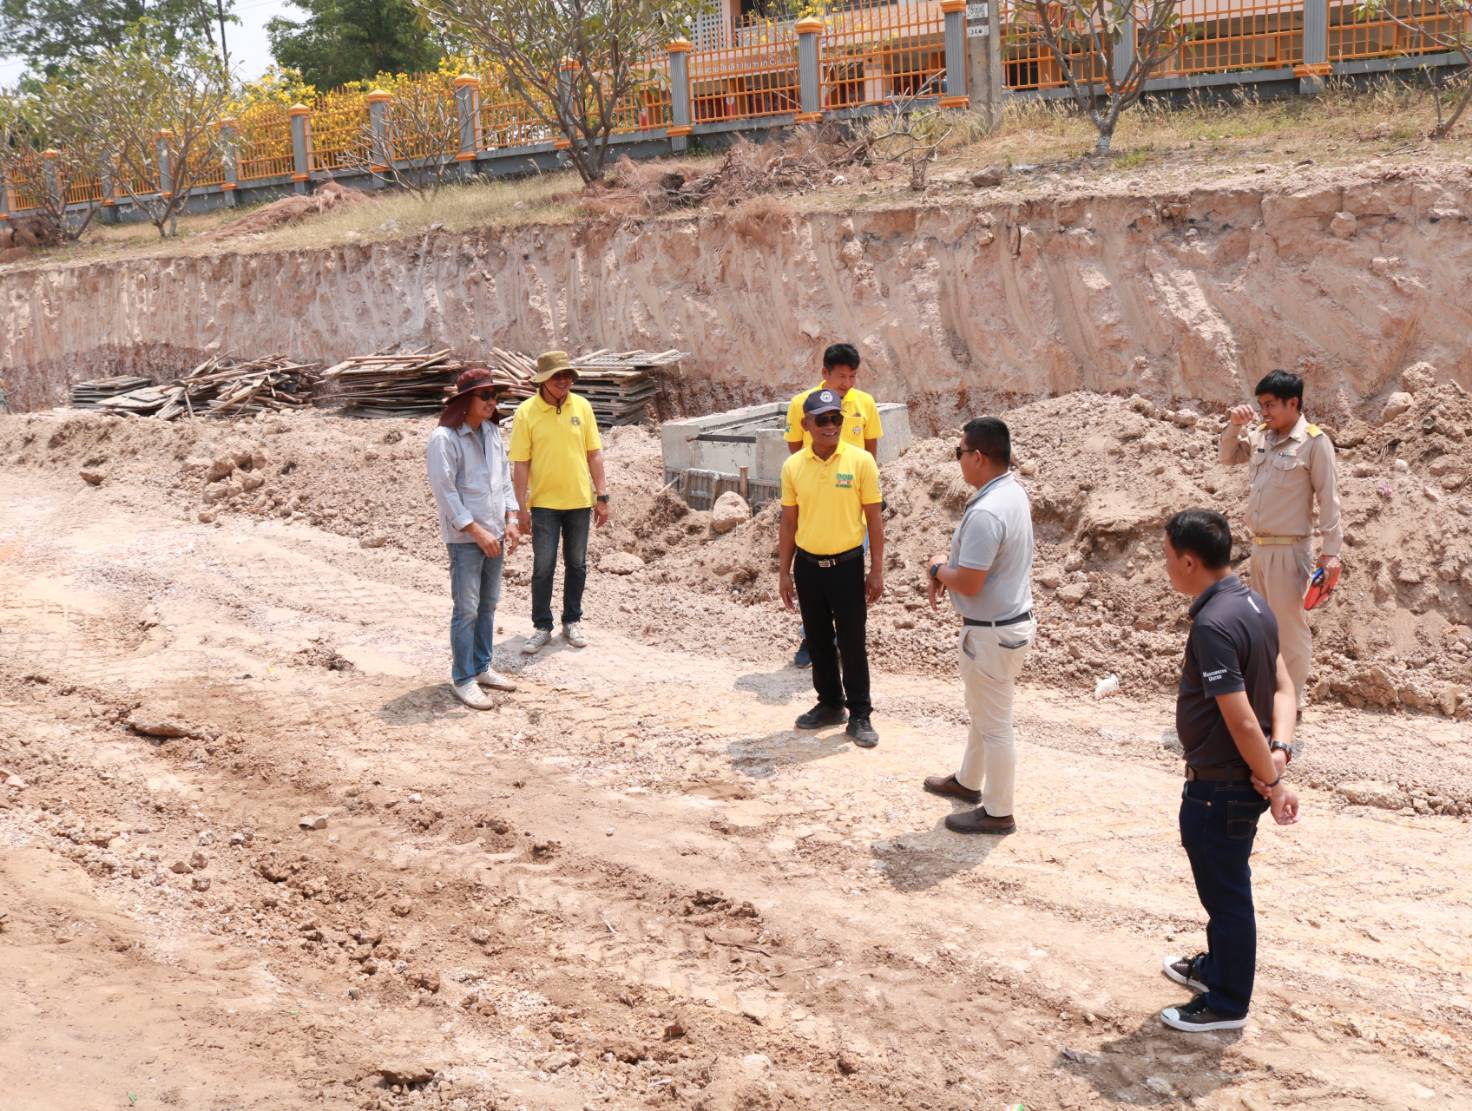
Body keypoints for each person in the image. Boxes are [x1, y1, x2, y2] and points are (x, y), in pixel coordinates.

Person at [1158, 508, 1300, 1033]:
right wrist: (1279, 751)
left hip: (1220, 788)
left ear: (1189, 562)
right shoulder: (1253, 604)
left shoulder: (1214, 624)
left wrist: (1276, 779)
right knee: (1223, 885)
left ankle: (1227, 1002)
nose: (1165, 566)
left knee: (1227, 895)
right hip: (1240, 779)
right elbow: (1284, 686)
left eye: (1167, 557)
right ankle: (1216, 969)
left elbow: (1240, 720)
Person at [923, 417, 1036, 835]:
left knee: (995, 724)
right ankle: (969, 781)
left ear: (979, 457)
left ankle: (999, 811)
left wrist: (937, 567)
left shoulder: (988, 511)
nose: (958, 460)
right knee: (984, 710)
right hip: (1006, 626)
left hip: (992, 632)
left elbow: (970, 581)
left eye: (960, 452)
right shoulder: (1011, 492)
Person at [1219, 370, 1342, 709]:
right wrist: (1234, 427)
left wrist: (1331, 553)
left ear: (1293, 403)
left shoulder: (1314, 442)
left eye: (1270, 405)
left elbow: (1328, 498)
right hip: (1259, 549)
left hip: (1290, 551)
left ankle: (1291, 704)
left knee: (1288, 630)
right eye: (1261, 405)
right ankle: (1264, 697)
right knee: (1258, 627)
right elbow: (1227, 457)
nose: (1264, 412)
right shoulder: (1262, 436)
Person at [778, 388, 884, 747]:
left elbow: (874, 519)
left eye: (836, 418)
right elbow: (788, 522)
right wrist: (784, 572)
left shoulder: (860, 461)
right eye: (822, 419)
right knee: (818, 639)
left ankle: (860, 714)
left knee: (852, 642)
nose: (830, 425)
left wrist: (876, 569)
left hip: (847, 566)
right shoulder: (793, 467)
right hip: (808, 567)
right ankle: (829, 704)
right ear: (805, 424)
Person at [425, 368, 522, 710]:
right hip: (466, 539)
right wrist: (476, 531)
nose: (492, 402)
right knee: (467, 609)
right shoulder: (444, 439)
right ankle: (463, 678)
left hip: (495, 533)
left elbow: (503, 479)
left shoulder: (492, 432)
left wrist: (511, 518)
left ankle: (482, 666)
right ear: (465, 400)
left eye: (494, 396)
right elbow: (445, 492)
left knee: (488, 604)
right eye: (485, 396)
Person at [784, 343, 884, 668]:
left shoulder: (865, 404)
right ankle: (812, 638)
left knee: (847, 578)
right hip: (815, 504)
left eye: (852, 376)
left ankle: (846, 641)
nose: (847, 383)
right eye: (841, 376)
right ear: (824, 373)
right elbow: (795, 451)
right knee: (812, 576)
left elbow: (870, 452)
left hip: (852, 506)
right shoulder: (801, 404)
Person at [510, 350, 609, 654]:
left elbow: (594, 453)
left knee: (577, 564)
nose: (564, 381)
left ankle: (572, 621)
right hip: (544, 505)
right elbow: (521, 464)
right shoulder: (526, 413)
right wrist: (521, 509)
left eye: (568, 376)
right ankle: (542, 626)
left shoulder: (582, 406)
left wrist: (602, 496)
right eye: (557, 376)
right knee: (543, 565)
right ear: (543, 380)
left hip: (579, 501)